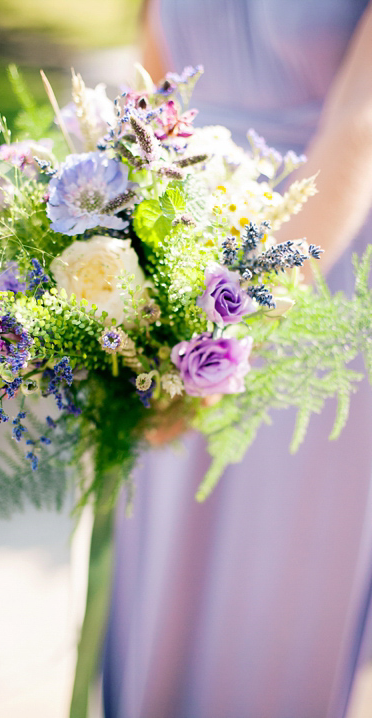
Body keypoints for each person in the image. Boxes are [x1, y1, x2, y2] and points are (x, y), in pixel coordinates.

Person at [103, 2, 372, 717]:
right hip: (180, 249)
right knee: (165, 552)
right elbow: (147, 94)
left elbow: (361, 127)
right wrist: (111, 272)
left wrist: (224, 326)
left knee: (275, 575)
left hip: (316, 271)